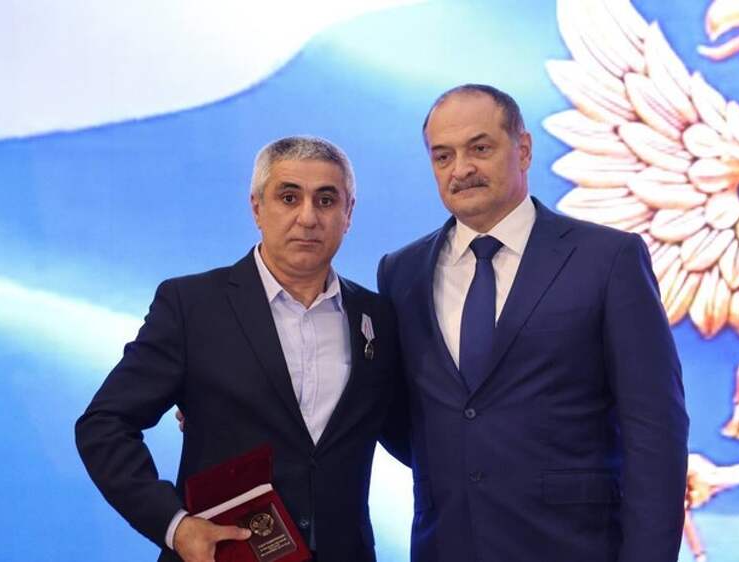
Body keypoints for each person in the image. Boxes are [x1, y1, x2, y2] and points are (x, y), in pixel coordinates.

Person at [376, 84, 689, 561]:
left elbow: (655, 430)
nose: (461, 169)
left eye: (480, 148)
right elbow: (405, 420)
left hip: (574, 546)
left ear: (522, 149)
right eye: (443, 156)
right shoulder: (401, 273)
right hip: (447, 546)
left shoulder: (608, 259)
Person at [76, 136, 408, 562]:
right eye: (289, 197)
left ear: (349, 214)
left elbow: (411, 433)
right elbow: (104, 424)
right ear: (257, 207)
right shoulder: (192, 306)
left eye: (326, 200)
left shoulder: (379, 317)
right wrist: (174, 525)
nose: (308, 217)